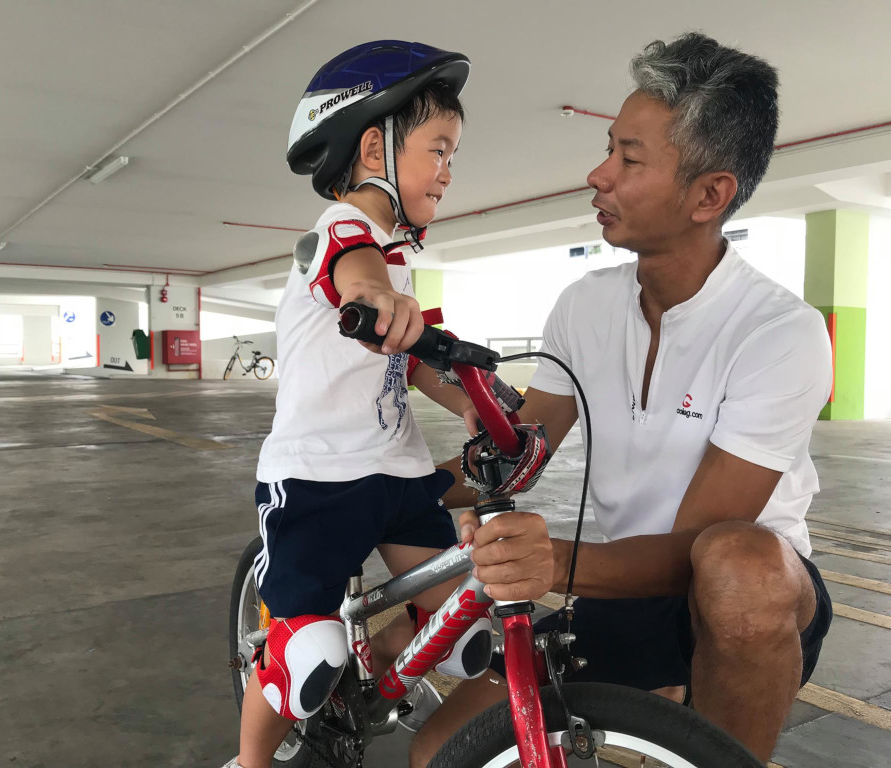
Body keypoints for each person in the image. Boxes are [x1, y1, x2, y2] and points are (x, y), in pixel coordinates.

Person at [410, 32, 834, 766]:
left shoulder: (779, 332)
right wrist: (400, 496)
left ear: (710, 195)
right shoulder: (585, 305)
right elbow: (520, 448)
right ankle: (655, 692)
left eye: (629, 159)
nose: (597, 174)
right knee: (441, 754)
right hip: (619, 593)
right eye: (609, 148)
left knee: (738, 565)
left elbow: (693, 553)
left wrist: (554, 562)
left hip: (740, 602)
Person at [222, 41, 488, 768]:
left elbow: (419, 354)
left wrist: (477, 399)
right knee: (303, 656)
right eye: (438, 148)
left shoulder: (398, 262)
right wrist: (376, 300)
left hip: (398, 482)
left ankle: (363, 677)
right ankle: (250, 762)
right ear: (375, 146)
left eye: (452, 153)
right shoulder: (342, 233)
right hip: (315, 484)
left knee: (464, 629)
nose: (447, 168)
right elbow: (359, 279)